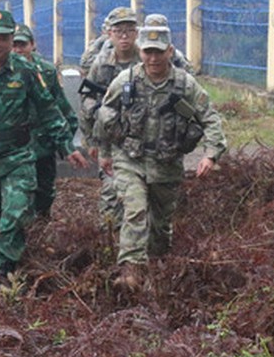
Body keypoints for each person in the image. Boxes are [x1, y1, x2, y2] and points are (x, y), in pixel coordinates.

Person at [0, 10, 89, 283]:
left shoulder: (26, 71)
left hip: (19, 155)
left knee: (17, 209)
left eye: (3, 38)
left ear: (12, 40)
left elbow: (48, 110)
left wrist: (67, 146)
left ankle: (6, 271)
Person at [96, 24, 227, 292]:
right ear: (139, 51)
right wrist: (106, 153)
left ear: (170, 51)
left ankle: (157, 269)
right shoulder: (126, 81)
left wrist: (210, 154)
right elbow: (105, 114)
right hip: (130, 159)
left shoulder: (184, 84)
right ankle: (130, 271)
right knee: (135, 209)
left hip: (166, 164)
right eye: (147, 52)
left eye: (158, 52)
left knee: (160, 224)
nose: (153, 59)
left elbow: (210, 118)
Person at [78, 7, 142, 227]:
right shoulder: (102, 64)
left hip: (144, 137)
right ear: (109, 34)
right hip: (112, 138)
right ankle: (108, 240)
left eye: (129, 30)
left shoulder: (148, 58)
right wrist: (92, 138)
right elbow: (87, 99)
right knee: (111, 191)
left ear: (136, 33)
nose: (124, 36)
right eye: (118, 31)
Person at [12, 23, 78, 218]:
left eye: (22, 45)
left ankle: (41, 226)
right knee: (17, 194)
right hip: (15, 146)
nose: (17, 50)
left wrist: (64, 144)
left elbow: (62, 108)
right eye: (13, 45)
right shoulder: (2, 70)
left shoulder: (46, 71)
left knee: (45, 191)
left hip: (42, 143)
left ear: (32, 45)